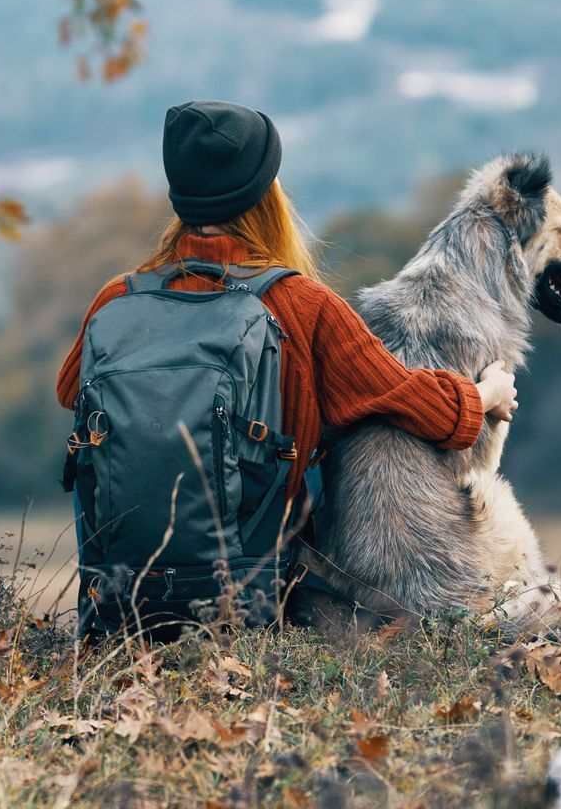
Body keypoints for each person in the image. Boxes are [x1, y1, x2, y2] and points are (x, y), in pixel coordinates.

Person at [56, 99, 515, 636]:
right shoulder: (301, 303)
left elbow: (72, 390)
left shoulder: (117, 298)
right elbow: (412, 401)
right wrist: (485, 394)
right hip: (249, 595)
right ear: (266, 194)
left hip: (120, 598)